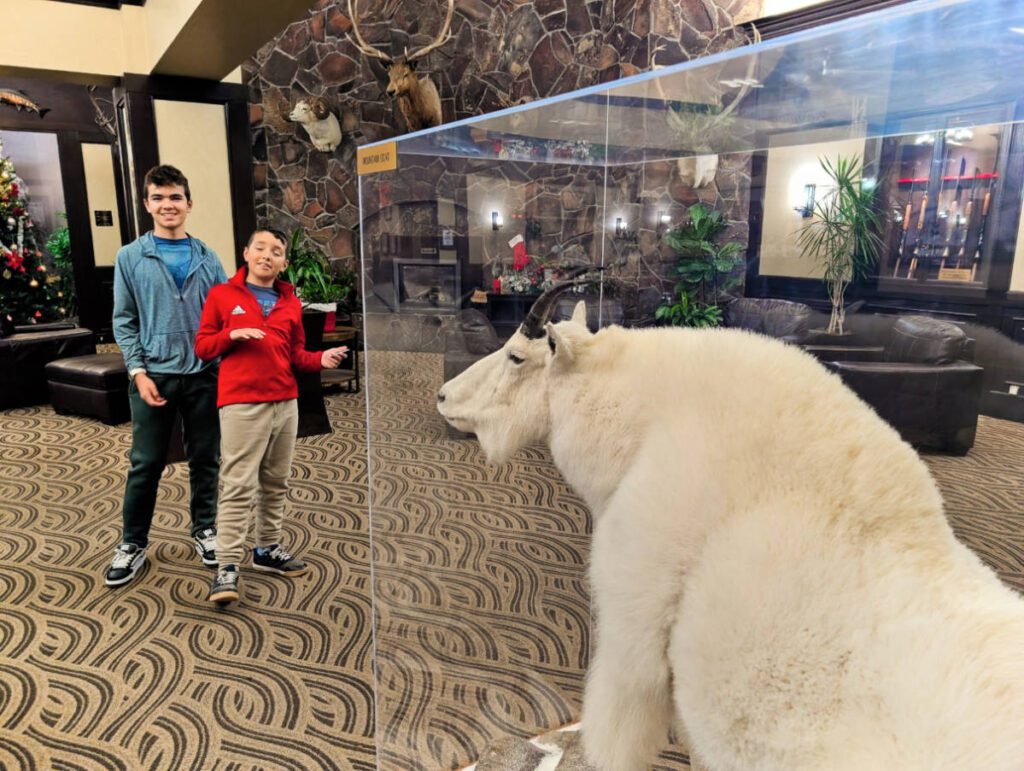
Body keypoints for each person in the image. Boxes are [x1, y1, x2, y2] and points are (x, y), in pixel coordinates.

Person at [194, 228, 347, 604]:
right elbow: (202, 347)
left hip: (286, 402)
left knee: (276, 481)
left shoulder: (290, 302)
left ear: (284, 263)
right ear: (246, 252)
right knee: (238, 484)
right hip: (242, 404)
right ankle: (227, 566)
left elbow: (296, 354)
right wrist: (233, 334)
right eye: (260, 247)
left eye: (276, 251)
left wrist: (319, 360)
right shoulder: (222, 295)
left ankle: (267, 549)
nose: (267, 255)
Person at [106, 165, 228, 587]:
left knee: (206, 460)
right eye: (158, 198)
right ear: (147, 205)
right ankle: (133, 542)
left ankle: (205, 529)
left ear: (188, 204)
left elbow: (225, 316)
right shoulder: (129, 257)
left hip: (203, 376)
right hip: (152, 376)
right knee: (146, 463)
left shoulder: (208, 257)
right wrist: (138, 372)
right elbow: (124, 321)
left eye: (175, 197)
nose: (167, 205)